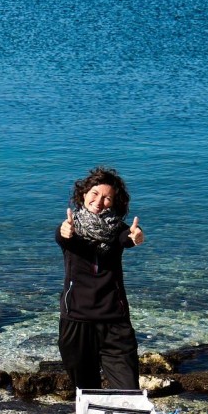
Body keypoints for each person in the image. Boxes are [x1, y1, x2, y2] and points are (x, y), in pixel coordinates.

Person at [56, 166, 145, 392]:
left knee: (128, 391)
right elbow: (63, 236)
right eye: (94, 194)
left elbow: (127, 237)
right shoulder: (72, 227)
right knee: (86, 392)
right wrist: (64, 231)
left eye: (107, 198)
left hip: (114, 320)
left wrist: (136, 236)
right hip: (76, 319)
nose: (99, 201)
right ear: (84, 194)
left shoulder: (118, 230)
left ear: (114, 203)